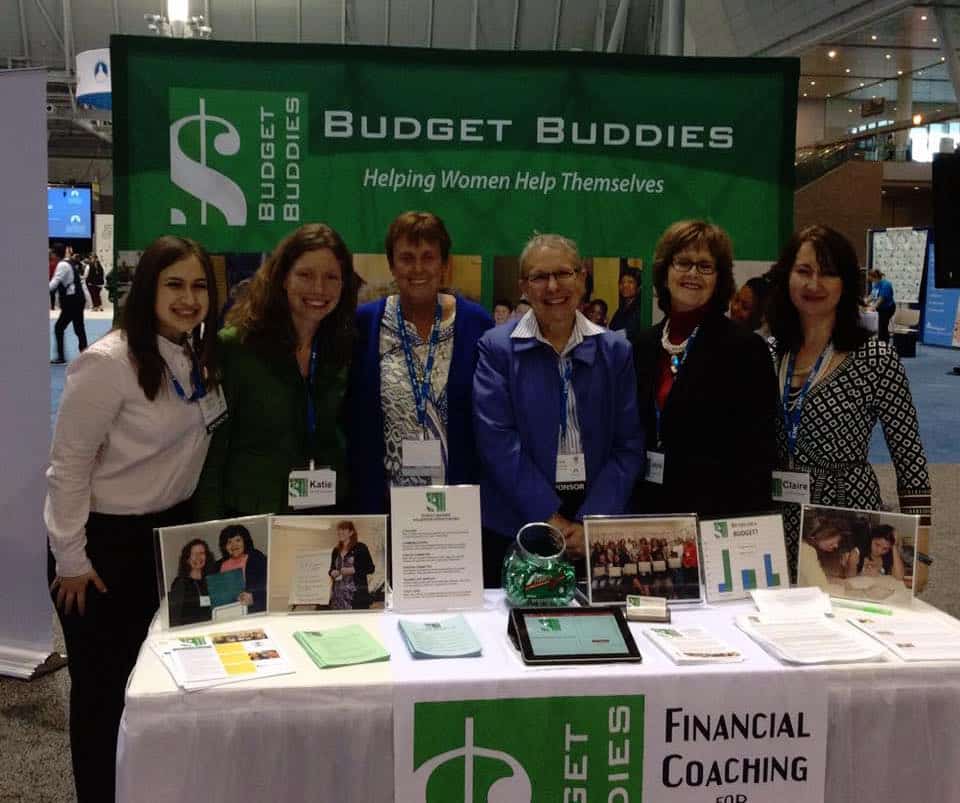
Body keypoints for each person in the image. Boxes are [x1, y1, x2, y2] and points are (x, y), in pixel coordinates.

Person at [45, 235, 219, 803]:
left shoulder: (195, 355)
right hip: (102, 547)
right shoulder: (107, 363)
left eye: (198, 286)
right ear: (148, 289)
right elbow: (67, 468)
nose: (188, 298)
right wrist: (72, 558)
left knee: (156, 688)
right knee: (102, 694)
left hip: (167, 539)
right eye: (174, 284)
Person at [473, 233, 644, 586]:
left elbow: (628, 446)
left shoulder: (615, 351)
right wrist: (549, 518)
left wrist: (590, 523)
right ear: (524, 286)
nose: (553, 286)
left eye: (564, 274)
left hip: (595, 526)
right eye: (538, 277)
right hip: (517, 523)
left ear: (581, 278)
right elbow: (497, 441)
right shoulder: (497, 348)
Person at [767, 225, 931, 583]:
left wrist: (919, 552)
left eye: (828, 273)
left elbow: (910, 459)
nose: (814, 285)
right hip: (776, 515)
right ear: (787, 276)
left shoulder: (875, 358)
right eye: (804, 271)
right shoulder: (770, 353)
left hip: (846, 514)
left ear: (845, 284)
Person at [193, 223, 357, 520]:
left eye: (331, 277)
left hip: (325, 515)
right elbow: (214, 450)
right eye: (305, 275)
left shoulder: (343, 348)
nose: (319, 288)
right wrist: (209, 529)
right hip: (251, 519)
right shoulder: (236, 347)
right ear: (283, 278)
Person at [631, 220, 779, 519]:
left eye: (705, 266)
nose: (692, 274)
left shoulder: (745, 349)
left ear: (719, 278)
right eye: (683, 262)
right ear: (665, 270)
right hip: (647, 513)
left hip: (716, 517)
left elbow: (758, 453)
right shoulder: (641, 345)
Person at [347, 211, 493, 513]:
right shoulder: (365, 324)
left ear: (444, 265)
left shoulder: (476, 324)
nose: (417, 268)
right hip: (384, 501)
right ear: (392, 264)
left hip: (458, 504)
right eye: (406, 257)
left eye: (428, 257)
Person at [215, 523, 268, 613]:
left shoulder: (256, 557)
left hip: (253, 611)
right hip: (226, 612)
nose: (234, 545)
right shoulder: (218, 565)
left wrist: (254, 597)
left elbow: (269, 587)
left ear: (245, 541)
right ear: (224, 546)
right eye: (229, 542)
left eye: (238, 540)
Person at [49, 242, 88, 364]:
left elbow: (54, 284)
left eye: (52, 253)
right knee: (79, 328)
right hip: (78, 298)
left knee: (59, 327)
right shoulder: (68, 262)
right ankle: (85, 354)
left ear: (55, 254)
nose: (51, 255)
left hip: (72, 300)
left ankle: (61, 356)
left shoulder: (62, 265)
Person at [328, 520, 376, 609]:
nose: (340, 532)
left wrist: (353, 570)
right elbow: (331, 568)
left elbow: (370, 568)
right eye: (339, 529)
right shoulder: (336, 550)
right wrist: (332, 572)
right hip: (338, 596)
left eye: (343, 529)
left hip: (355, 597)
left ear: (351, 532)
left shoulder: (360, 548)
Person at [168, 538, 215, 627]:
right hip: (190, 629)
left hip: (212, 627)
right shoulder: (180, 583)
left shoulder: (212, 580)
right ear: (187, 558)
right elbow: (174, 616)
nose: (198, 557)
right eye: (193, 554)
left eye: (201, 553)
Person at [797, 519, 852, 590]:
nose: (836, 546)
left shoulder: (806, 548)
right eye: (833, 542)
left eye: (838, 543)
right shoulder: (806, 550)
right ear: (823, 535)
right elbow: (820, 585)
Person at [608, 268, 642, 335]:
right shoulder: (623, 307)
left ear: (638, 286)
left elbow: (631, 330)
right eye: (622, 282)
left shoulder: (641, 307)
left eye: (630, 282)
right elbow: (612, 327)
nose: (625, 285)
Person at [866, 268, 896, 343]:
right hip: (881, 308)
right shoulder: (876, 284)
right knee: (879, 326)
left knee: (883, 325)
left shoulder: (886, 285)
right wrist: (864, 303)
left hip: (888, 308)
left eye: (871, 279)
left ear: (875, 277)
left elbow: (880, 299)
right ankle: (881, 342)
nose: (871, 281)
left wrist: (872, 308)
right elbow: (872, 296)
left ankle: (885, 343)